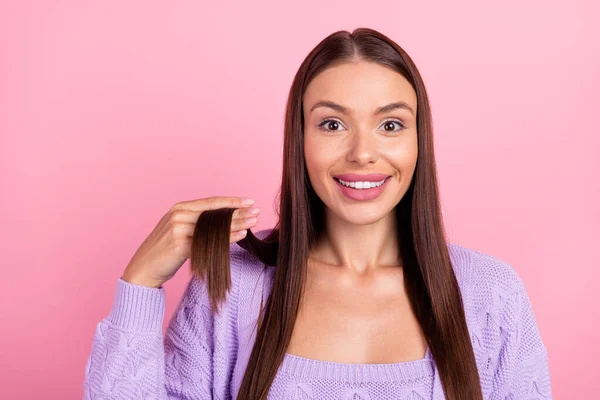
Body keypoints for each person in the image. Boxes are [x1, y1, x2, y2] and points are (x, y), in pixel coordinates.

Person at [83, 28, 553, 399]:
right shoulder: (233, 286)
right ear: (299, 140)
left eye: (390, 125)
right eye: (332, 124)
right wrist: (140, 282)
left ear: (418, 142)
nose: (362, 153)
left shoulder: (492, 294)